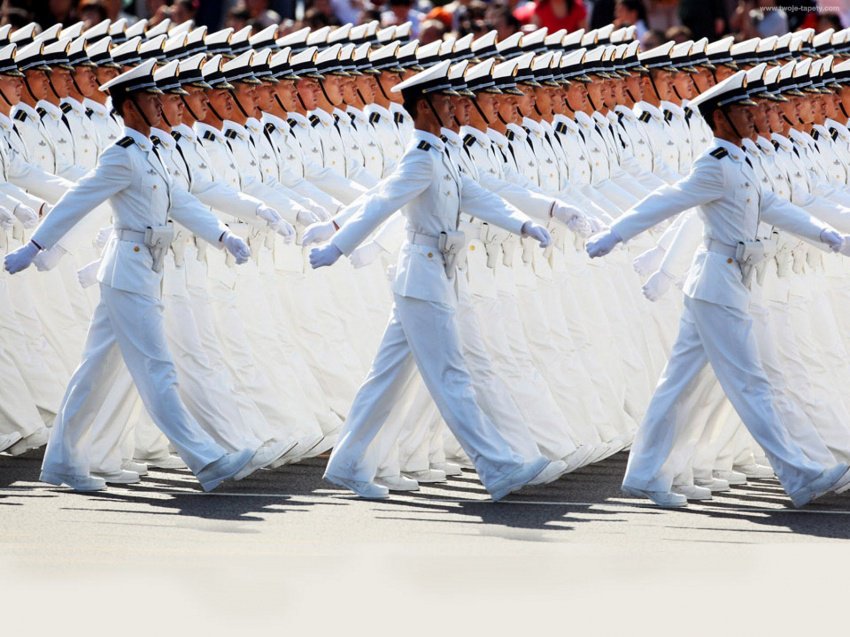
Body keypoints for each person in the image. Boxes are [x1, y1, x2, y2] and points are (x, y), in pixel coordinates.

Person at [3, 59, 276, 493]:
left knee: (94, 372)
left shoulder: (150, 153)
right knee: (157, 369)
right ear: (130, 107)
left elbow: (179, 202)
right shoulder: (121, 156)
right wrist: (35, 246)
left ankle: (62, 463)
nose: (160, 103)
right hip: (128, 270)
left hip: (143, 268)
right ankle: (207, 460)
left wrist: (222, 235)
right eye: (150, 99)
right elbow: (76, 201)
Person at [586, 70, 850, 508]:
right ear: (723, 117)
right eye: (745, 110)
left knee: (679, 384)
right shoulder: (714, 163)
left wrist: (831, 237)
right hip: (717, 284)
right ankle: (801, 475)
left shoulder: (742, 161)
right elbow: (668, 200)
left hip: (723, 283)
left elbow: (773, 206)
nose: (755, 115)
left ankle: (646, 473)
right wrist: (614, 235)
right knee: (750, 383)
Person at [305, 60, 565, 501]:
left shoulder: (440, 152)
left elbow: (473, 195)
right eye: (445, 100)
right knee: (451, 376)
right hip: (422, 277)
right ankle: (499, 467)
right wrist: (337, 245)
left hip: (433, 275)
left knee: (385, 378)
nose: (455, 106)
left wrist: (523, 223)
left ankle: (348, 462)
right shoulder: (421, 157)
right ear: (425, 106)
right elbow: (381, 203)